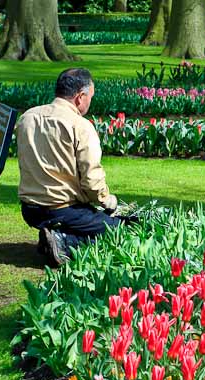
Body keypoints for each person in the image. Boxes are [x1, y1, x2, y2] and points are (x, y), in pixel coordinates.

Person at [17, 68, 121, 266]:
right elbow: (92, 182)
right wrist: (108, 201)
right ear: (80, 97)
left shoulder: (28, 117)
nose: (90, 101)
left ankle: (54, 235)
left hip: (30, 209)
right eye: (90, 96)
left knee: (88, 219)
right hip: (62, 209)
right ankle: (63, 241)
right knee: (118, 230)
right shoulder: (80, 126)